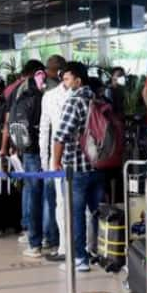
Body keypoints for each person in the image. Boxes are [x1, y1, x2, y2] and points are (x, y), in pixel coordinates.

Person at [52, 62, 104, 272]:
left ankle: (80, 259)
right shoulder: (98, 99)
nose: (65, 83)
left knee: (75, 214)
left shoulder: (74, 102)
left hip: (77, 167)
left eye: (67, 79)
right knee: (98, 212)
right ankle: (102, 253)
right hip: (99, 165)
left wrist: (55, 161)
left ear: (78, 81)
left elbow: (61, 134)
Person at [5, 64, 52, 258]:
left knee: (33, 192)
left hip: (28, 149)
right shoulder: (48, 96)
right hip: (46, 150)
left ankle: (34, 239)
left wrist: (10, 145)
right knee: (47, 194)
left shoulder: (19, 92)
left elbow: (10, 120)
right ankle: (49, 236)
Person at [39, 66, 71, 262]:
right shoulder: (49, 97)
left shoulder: (84, 95)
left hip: (80, 159)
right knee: (60, 204)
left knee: (81, 206)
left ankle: (84, 247)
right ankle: (64, 247)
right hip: (57, 159)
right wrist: (45, 160)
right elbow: (44, 129)